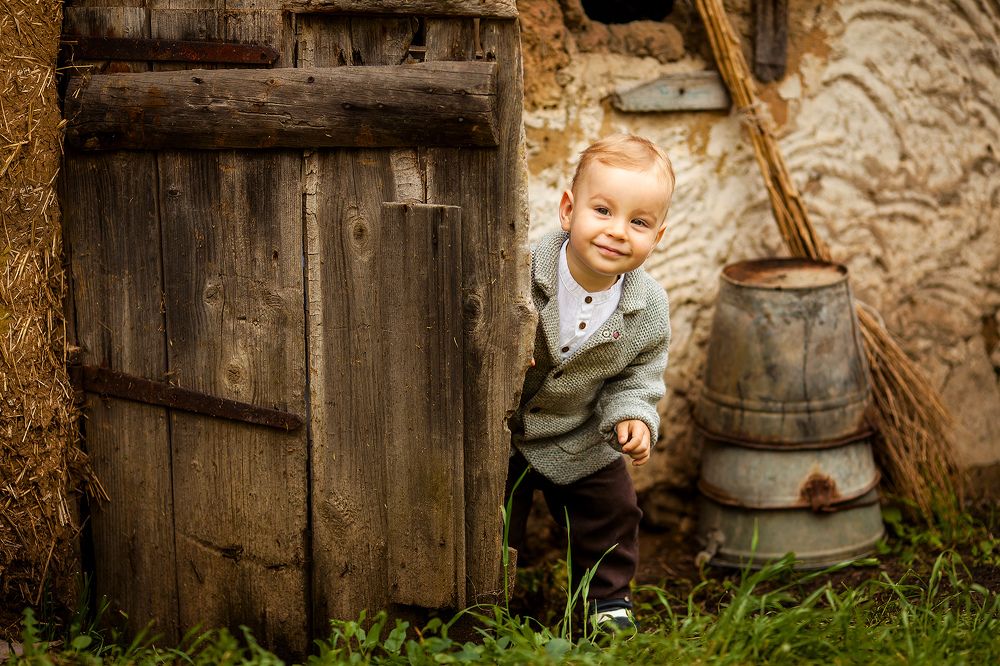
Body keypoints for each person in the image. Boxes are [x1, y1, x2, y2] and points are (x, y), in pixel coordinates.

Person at [507, 133, 674, 635]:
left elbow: (637, 374)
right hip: (503, 431)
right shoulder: (522, 272)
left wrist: (633, 415)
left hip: (579, 434)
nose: (618, 231)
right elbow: (484, 324)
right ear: (567, 210)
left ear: (657, 238)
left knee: (613, 510)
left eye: (639, 222)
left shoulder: (647, 308)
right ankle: (484, 596)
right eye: (603, 211)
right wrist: (509, 352)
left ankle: (605, 604)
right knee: (491, 518)